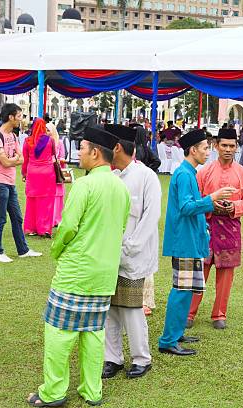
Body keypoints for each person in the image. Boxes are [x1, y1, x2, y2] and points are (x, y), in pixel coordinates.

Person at [28, 126, 130, 407]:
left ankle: (53, 392)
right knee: (93, 335)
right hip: (104, 274)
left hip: (76, 272)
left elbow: (68, 226)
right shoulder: (120, 187)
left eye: (82, 149)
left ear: (95, 153)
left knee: (59, 333)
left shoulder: (85, 185)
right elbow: (120, 228)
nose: (79, 153)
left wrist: (57, 249)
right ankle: (92, 391)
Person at [158, 129, 235, 356]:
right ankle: (168, 339)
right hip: (184, 241)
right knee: (181, 290)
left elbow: (192, 205)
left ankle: (177, 332)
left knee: (187, 288)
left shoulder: (189, 173)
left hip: (190, 239)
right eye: (204, 148)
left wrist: (210, 206)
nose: (208, 153)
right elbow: (186, 207)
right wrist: (213, 198)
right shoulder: (184, 174)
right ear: (193, 150)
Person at [102, 124, 161, 380]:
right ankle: (112, 358)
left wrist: (131, 248)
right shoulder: (111, 177)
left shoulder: (146, 176)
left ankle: (141, 358)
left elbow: (151, 216)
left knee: (131, 308)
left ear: (117, 148)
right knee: (109, 308)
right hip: (108, 255)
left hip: (134, 256)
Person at [187, 128, 243, 330]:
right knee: (200, 270)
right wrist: (211, 205)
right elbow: (195, 199)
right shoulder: (204, 172)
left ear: (237, 147)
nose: (228, 149)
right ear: (216, 146)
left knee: (226, 273)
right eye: (224, 145)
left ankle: (219, 314)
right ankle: (190, 313)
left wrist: (233, 207)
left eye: (232, 146)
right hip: (207, 225)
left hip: (230, 226)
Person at [0, 104, 42, 263]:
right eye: (19, 116)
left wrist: (11, 161)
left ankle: (23, 250)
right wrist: (13, 161)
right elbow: (4, 161)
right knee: (0, 219)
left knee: (17, 218)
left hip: (10, 183)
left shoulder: (14, 136)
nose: (21, 119)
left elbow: (22, 158)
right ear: (10, 117)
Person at [21, 118, 58, 238]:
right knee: (46, 202)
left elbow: (25, 160)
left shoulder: (27, 141)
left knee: (31, 201)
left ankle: (30, 228)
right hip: (47, 173)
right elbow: (53, 154)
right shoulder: (50, 140)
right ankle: (45, 229)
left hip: (32, 173)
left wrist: (24, 174)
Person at [46, 122, 66, 228]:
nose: (47, 132)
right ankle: (49, 218)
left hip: (57, 172)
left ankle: (57, 219)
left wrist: (57, 160)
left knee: (58, 196)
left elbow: (63, 157)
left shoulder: (60, 143)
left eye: (48, 130)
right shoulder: (45, 143)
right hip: (48, 172)